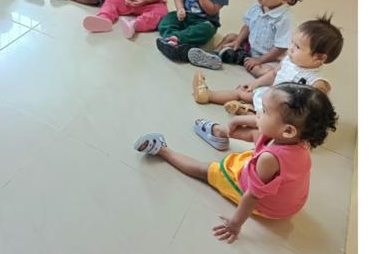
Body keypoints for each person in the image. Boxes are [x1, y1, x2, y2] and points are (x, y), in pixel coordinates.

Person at [135, 82, 337, 242]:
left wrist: (235, 224)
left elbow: (252, 197)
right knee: (257, 134)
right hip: (291, 200)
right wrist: (236, 122)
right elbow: (260, 129)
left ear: (288, 130)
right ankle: (221, 133)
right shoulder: (300, 139)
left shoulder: (269, 159)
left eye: (264, 111)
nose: (258, 113)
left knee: (207, 170)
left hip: (268, 206)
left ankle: (162, 150)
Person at [193, 14, 341, 115]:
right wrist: (255, 84)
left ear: (319, 58)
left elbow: (316, 105)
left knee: (263, 120)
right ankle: (209, 95)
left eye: (297, 47)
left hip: (282, 112)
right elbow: (273, 74)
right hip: (269, 94)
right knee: (241, 93)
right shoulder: (288, 60)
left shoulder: (317, 82)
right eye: (292, 43)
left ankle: (247, 111)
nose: (290, 48)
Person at [187, 0, 304, 71]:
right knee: (230, 37)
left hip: (268, 57)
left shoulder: (284, 19)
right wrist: (238, 41)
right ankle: (214, 55)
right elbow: (248, 26)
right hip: (250, 47)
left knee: (264, 71)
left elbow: (280, 48)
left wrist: (259, 60)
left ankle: (239, 58)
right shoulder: (257, 6)